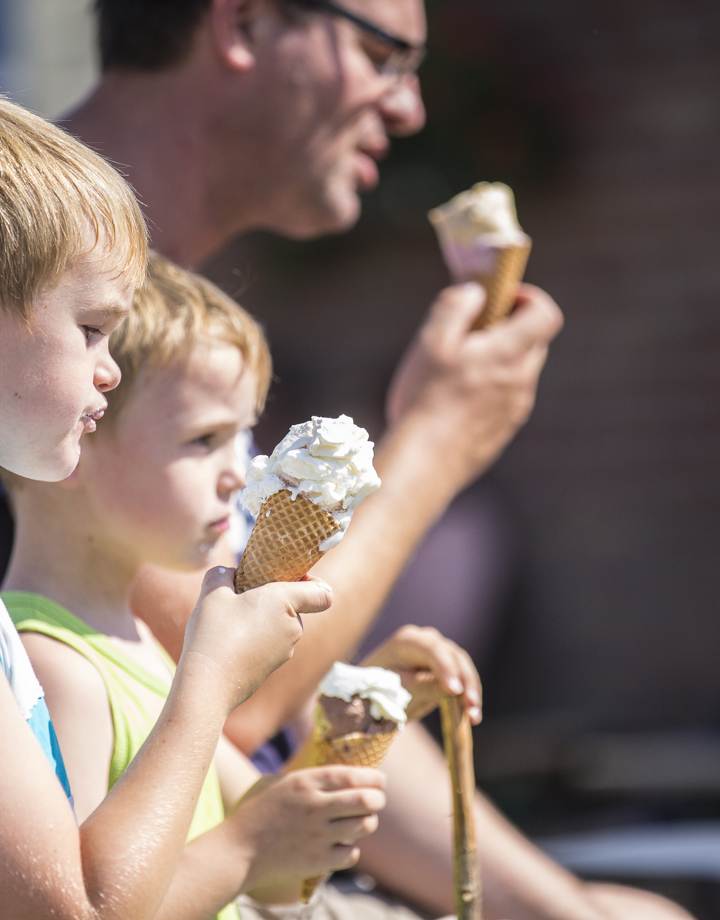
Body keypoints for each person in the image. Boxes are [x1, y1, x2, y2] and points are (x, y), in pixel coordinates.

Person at [58, 3, 692, 918]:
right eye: (383, 54)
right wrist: (436, 439)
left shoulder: (166, 319)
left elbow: (289, 698)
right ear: (241, 22)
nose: (412, 108)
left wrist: (550, 905)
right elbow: (248, 688)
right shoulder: (38, 316)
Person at [3, 251, 484, 920]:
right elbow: (88, 907)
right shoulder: (56, 667)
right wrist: (248, 851)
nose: (239, 475)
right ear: (79, 431)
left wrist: (358, 714)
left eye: (243, 438)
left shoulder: (137, 640)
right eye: (203, 439)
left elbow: (276, 876)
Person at [0, 96, 335, 920]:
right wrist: (211, 682)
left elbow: (285, 858)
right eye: (89, 328)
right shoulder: (54, 655)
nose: (106, 373)